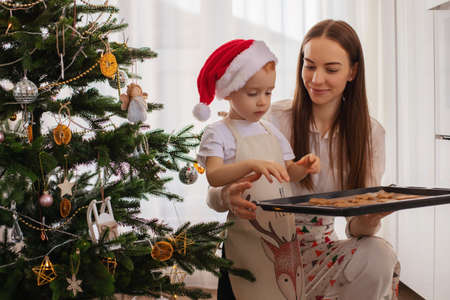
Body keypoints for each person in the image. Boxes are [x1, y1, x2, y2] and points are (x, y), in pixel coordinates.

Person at [206, 20, 400, 300]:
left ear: (353, 71)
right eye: (309, 66)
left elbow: (356, 228)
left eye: (331, 69)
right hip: (261, 252)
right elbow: (213, 194)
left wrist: (370, 219)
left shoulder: (370, 134)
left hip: (319, 254)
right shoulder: (269, 119)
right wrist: (227, 196)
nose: (316, 79)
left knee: (378, 254)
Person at [194, 39, 318, 300]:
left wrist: (302, 167)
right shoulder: (219, 133)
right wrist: (250, 165)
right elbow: (214, 176)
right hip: (245, 235)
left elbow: (287, 174)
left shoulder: (270, 130)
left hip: (282, 235)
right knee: (243, 289)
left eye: (268, 93)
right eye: (253, 94)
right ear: (229, 92)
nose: (263, 102)